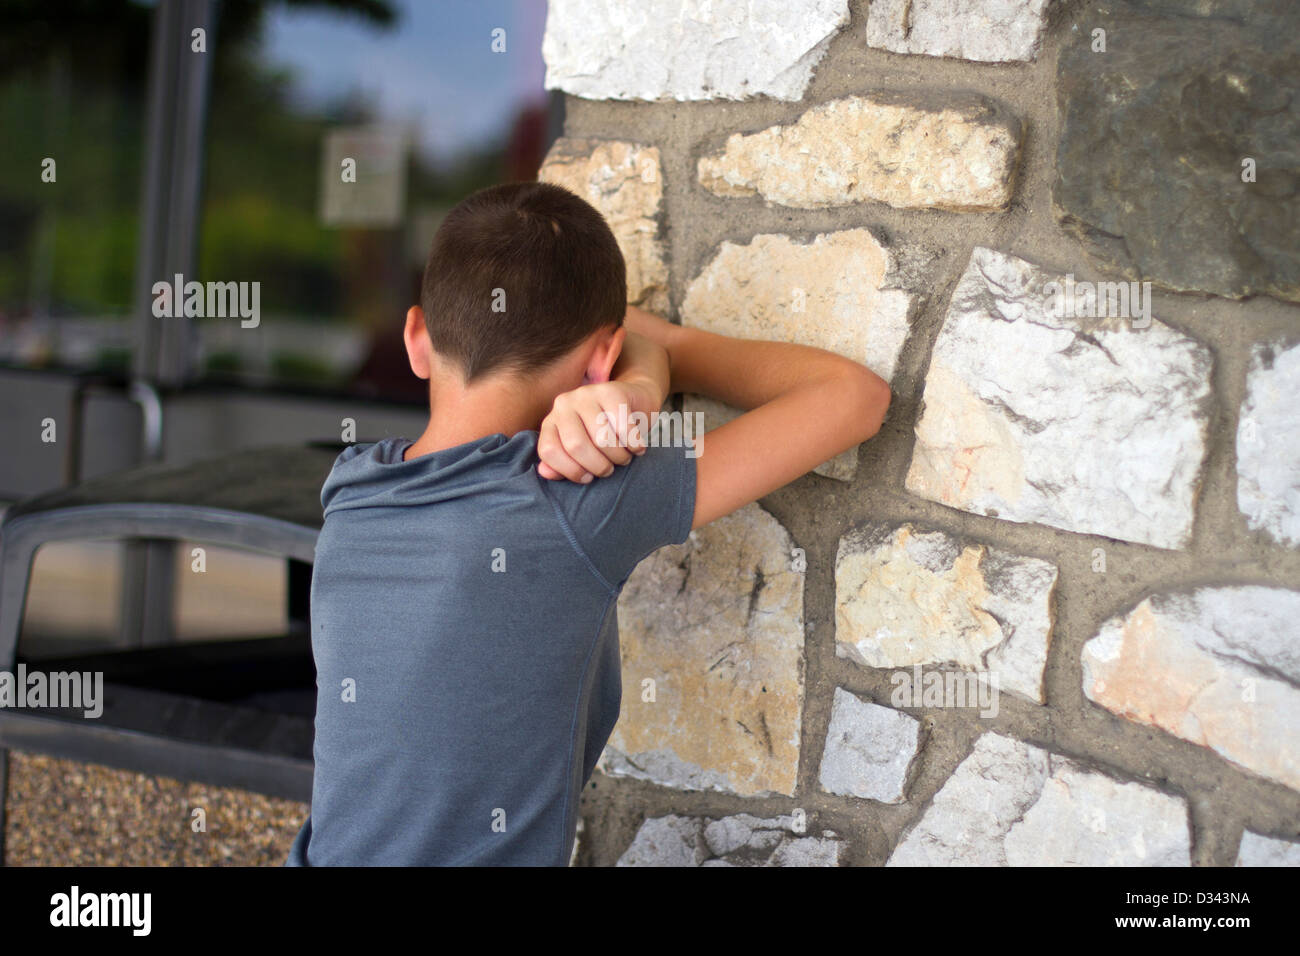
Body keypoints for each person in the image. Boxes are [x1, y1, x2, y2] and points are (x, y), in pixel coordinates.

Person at [286, 181, 890, 866]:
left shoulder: (354, 487)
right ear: (597, 357)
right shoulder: (568, 502)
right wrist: (641, 380)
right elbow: (855, 398)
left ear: (417, 338)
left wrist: (627, 376)